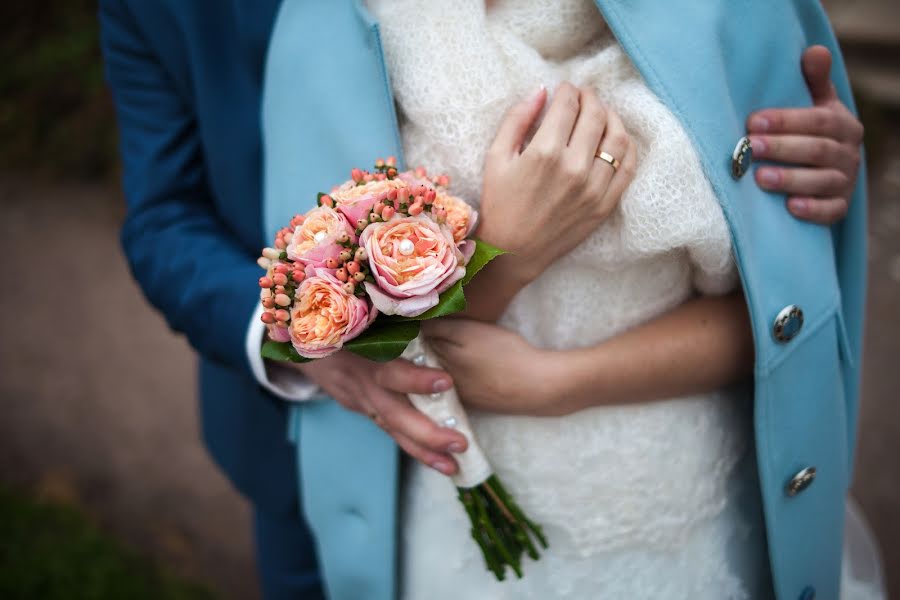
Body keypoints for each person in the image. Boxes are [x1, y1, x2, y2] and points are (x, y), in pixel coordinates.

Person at [99, 0, 867, 598]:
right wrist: (305, 333)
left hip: (684, 467)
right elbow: (165, 217)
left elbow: (773, 259)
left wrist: (796, 154)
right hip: (315, 435)